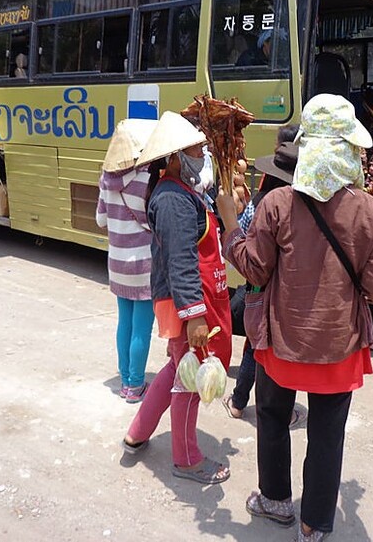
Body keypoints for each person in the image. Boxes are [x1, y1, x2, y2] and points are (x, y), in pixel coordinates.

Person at [216, 94, 373, 542]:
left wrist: (229, 223)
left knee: (273, 418)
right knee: (327, 436)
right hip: (339, 345)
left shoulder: (277, 203)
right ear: (349, 151)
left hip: (281, 342)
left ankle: (275, 500)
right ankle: (315, 525)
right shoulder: (370, 211)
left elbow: (253, 269)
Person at [121, 111, 233, 485]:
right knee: (189, 377)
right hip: (187, 301)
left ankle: (138, 431)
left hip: (190, 299)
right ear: (173, 157)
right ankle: (186, 460)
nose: (203, 155)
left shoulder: (183, 193)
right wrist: (195, 315)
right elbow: (181, 260)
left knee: (175, 367)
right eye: (196, 149)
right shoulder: (171, 199)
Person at [224, 125, 300, 421]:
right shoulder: (302, 207)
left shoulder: (259, 201)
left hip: (256, 287)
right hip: (285, 294)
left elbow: (241, 234)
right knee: (280, 352)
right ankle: (283, 410)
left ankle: (238, 402)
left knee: (253, 346)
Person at [95, 120, 155, 404]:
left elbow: (100, 220)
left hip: (117, 263)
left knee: (125, 322)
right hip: (143, 264)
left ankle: (125, 377)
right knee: (142, 325)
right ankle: (135, 384)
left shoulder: (106, 178)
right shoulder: (146, 180)